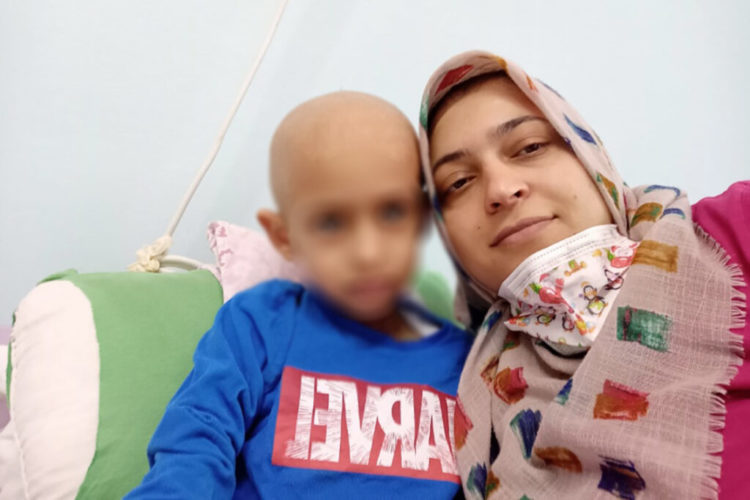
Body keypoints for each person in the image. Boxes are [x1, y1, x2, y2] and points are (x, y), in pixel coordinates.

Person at [419, 51, 749, 499]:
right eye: (458, 182)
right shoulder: (474, 406)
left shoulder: (734, 233)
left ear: (589, 156)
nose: (501, 189)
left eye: (530, 147)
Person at [126, 91, 471, 499]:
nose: (368, 251)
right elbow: (196, 444)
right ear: (284, 237)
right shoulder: (262, 323)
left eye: (392, 212)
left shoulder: (470, 363)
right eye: (331, 222)